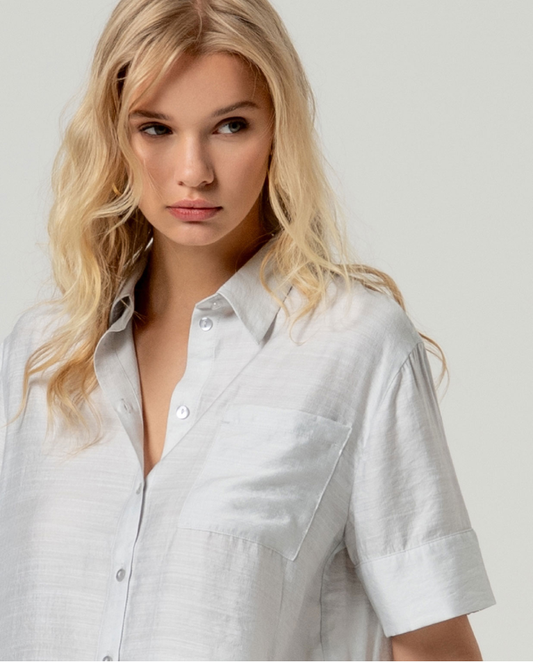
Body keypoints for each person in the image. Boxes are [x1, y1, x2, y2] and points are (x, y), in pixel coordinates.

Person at [0, 0, 496, 660]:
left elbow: (434, 645)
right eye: (155, 128)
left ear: (278, 133)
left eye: (230, 126)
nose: (193, 171)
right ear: (115, 137)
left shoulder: (356, 345)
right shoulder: (40, 353)